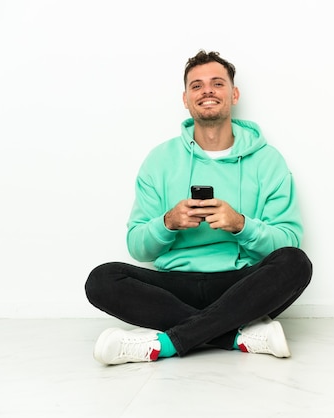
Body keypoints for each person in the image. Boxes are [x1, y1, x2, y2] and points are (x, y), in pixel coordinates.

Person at [85, 50, 312, 365]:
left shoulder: (267, 161)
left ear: (233, 94)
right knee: (102, 280)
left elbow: (289, 241)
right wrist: (167, 223)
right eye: (197, 85)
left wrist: (241, 225)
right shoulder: (159, 161)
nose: (207, 91)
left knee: (296, 263)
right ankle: (234, 336)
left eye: (217, 83)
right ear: (185, 98)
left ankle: (163, 344)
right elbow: (137, 246)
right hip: (175, 286)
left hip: (240, 283)